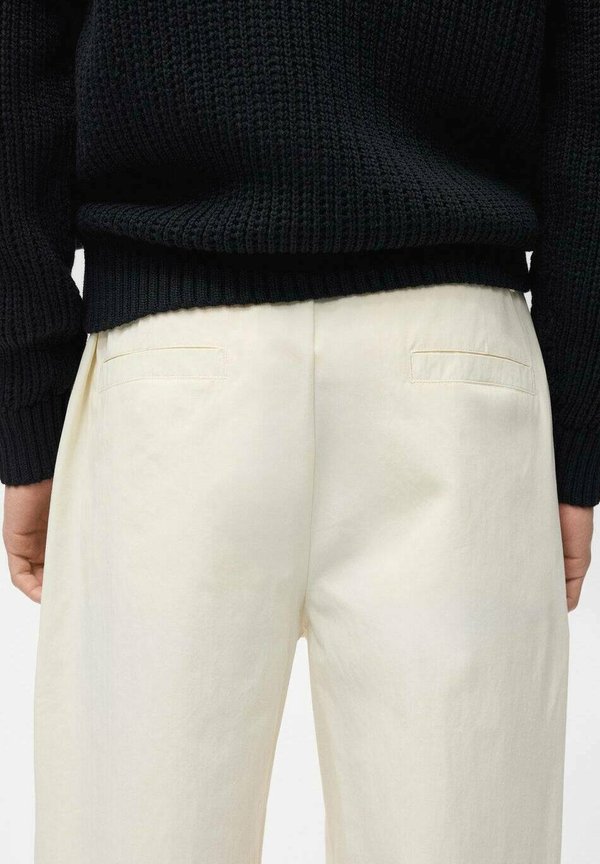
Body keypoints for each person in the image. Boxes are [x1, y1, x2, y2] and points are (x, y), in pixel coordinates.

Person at [0, 1, 597, 862]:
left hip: (173, 365)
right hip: (456, 366)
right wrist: (574, 427)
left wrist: (28, 397)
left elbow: (20, 63)